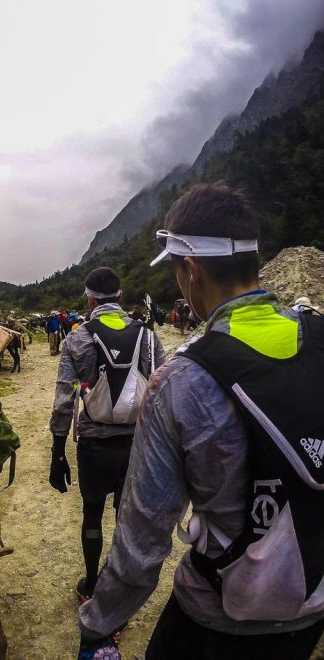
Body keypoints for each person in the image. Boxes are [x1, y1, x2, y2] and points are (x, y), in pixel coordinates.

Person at [77, 184, 324, 660]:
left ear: (190, 270)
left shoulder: (183, 379)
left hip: (217, 617)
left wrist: (98, 624)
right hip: (310, 610)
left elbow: (142, 538)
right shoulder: (318, 336)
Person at [48, 266, 165, 608]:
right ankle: (120, 586)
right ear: (121, 297)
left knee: (92, 512)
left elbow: (63, 399)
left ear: (89, 298)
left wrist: (58, 453)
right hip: (136, 445)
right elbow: (162, 389)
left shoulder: (78, 337)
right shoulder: (147, 335)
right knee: (125, 518)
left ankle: (91, 583)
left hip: (95, 445)